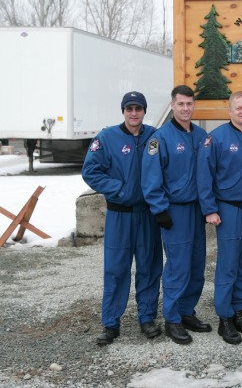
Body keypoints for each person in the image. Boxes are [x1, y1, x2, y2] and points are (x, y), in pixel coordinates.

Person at [81, 91, 163, 346]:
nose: (134, 113)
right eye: (129, 109)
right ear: (123, 111)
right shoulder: (108, 137)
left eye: (138, 108)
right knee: (116, 269)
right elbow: (90, 171)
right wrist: (120, 188)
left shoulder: (154, 136)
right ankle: (110, 323)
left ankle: (147, 318)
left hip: (148, 215)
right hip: (120, 215)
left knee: (149, 267)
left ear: (144, 111)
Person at [196, 91, 242, 345]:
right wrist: (210, 209)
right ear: (230, 111)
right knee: (229, 264)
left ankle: (239, 310)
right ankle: (224, 318)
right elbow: (204, 176)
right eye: (238, 108)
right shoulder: (215, 139)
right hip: (227, 210)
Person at [141, 85, 209, 345]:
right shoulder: (161, 139)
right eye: (180, 104)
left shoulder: (201, 135)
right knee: (178, 266)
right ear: (173, 105)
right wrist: (160, 210)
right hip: (175, 211)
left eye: (189, 104)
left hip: (196, 209)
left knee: (196, 264)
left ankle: (186, 311)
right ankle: (171, 318)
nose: (185, 108)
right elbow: (150, 178)